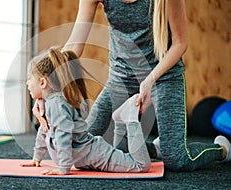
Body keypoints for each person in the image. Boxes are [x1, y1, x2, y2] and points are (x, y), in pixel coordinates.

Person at [33, 0, 231, 171]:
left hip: (163, 76)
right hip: (121, 77)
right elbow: (73, 48)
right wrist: (45, 91)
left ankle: (222, 149)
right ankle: (154, 149)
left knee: (178, 160)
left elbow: (180, 43)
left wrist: (150, 79)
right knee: (81, 146)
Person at [21, 47, 151, 175]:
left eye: (29, 78)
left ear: (43, 82)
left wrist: (63, 167)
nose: (27, 83)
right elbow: (44, 130)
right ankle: (121, 120)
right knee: (123, 157)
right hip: (90, 155)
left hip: (94, 153)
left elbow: (63, 134)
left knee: (140, 165)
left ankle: (130, 119)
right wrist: (37, 157)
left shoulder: (56, 104)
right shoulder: (51, 103)